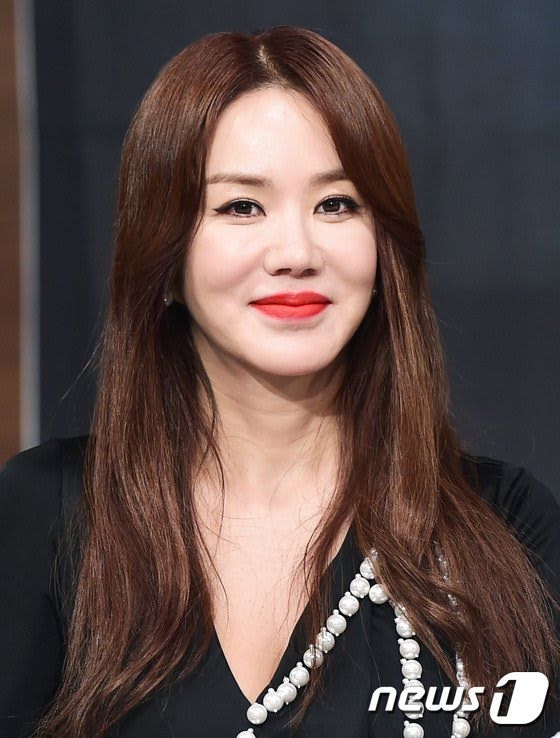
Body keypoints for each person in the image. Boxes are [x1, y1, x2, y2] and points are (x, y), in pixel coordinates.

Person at [1, 26, 559, 738]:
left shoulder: (503, 527)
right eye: (241, 206)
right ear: (163, 256)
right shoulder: (45, 515)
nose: (296, 252)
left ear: (385, 248)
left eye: (337, 204)